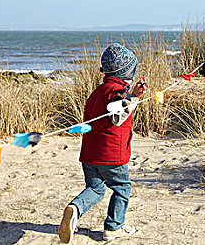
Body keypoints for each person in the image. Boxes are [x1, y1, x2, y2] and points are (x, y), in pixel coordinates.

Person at [58, 43, 146, 243]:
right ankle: (114, 228)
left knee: (96, 189)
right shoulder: (118, 93)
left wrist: (133, 95)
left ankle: (75, 208)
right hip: (111, 156)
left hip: (89, 154)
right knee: (122, 187)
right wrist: (133, 98)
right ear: (126, 71)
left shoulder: (98, 92)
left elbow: (112, 104)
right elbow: (117, 115)